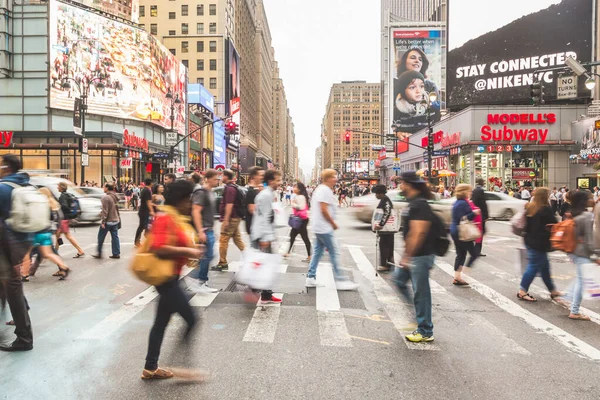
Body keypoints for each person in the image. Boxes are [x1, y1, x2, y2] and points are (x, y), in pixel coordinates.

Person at [142, 180, 203, 380]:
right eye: (189, 198)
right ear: (181, 199)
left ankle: (150, 367)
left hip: (171, 277)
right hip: (166, 279)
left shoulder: (175, 217)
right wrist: (189, 250)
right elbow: (159, 248)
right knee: (192, 319)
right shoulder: (166, 218)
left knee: (161, 322)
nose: (190, 203)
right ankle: (179, 365)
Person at [393, 171, 438, 343]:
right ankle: (419, 316)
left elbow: (418, 232)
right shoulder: (413, 203)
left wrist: (407, 256)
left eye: (402, 183)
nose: (400, 186)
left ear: (409, 184)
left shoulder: (419, 204)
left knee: (421, 292)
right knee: (398, 281)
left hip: (421, 255)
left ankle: (425, 330)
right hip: (415, 255)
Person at [0, 154, 34, 351]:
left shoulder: (4, 188)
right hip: (24, 241)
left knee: (13, 286)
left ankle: (24, 338)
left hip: (8, 245)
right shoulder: (26, 185)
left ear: (6, 167)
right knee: (9, 283)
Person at [306, 169, 359, 291]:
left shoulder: (322, 189)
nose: (336, 178)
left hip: (320, 227)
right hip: (324, 227)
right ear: (328, 178)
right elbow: (323, 209)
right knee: (334, 252)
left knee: (318, 252)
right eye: (334, 176)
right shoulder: (324, 190)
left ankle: (311, 276)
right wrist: (332, 223)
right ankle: (340, 280)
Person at [517, 188, 561, 302]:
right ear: (545, 196)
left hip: (529, 240)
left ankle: (552, 290)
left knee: (544, 266)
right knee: (533, 266)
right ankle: (522, 291)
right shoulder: (545, 209)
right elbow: (555, 224)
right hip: (540, 242)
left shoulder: (530, 207)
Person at [250, 169, 283, 305]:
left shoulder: (268, 194)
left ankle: (264, 293)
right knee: (265, 264)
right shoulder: (265, 195)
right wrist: (265, 237)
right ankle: (255, 291)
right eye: (277, 180)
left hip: (262, 234)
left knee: (264, 264)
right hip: (261, 235)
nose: (279, 182)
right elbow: (263, 218)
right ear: (270, 181)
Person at [561, 191, 596, 321]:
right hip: (582, 253)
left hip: (573, 251)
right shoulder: (586, 216)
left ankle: (568, 296)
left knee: (581, 278)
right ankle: (574, 311)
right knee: (582, 281)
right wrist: (596, 255)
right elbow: (588, 239)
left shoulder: (572, 214)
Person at [22, 187, 70, 281]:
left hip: (36, 232)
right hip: (47, 232)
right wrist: (57, 230)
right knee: (48, 253)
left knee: (26, 253)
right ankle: (63, 266)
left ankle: (25, 274)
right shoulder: (53, 204)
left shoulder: (40, 205)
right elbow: (59, 217)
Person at [189, 170, 219, 293]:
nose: (218, 180)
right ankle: (198, 280)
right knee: (207, 256)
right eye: (215, 178)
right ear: (208, 179)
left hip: (209, 229)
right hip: (204, 230)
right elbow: (195, 211)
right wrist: (200, 231)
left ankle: (199, 280)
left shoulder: (210, 192)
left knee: (207, 256)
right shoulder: (201, 192)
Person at [450, 184, 481, 286]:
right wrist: (474, 213)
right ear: (464, 192)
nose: (471, 193)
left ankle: (457, 277)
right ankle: (464, 272)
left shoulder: (457, 202)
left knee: (461, 253)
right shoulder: (463, 203)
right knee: (474, 253)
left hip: (455, 230)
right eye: (469, 191)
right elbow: (463, 218)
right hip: (462, 231)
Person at [214, 170, 245, 271]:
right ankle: (249, 257)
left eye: (222, 175)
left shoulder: (230, 189)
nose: (221, 178)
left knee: (223, 239)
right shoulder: (232, 187)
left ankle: (222, 262)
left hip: (231, 218)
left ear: (226, 177)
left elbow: (229, 205)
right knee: (237, 240)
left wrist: (226, 220)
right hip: (234, 217)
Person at [56, 181, 85, 258]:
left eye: (58, 186)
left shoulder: (62, 196)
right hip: (66, 218)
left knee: (67, 236)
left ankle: (80, 250)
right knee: (58, 234)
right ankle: (55, 252)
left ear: (61, 187)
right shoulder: (68, 195)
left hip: (64, 218)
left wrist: (58, 207)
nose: (57, 187)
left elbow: (65, 207)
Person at [285, 182, 311, 262]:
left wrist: (293, 204)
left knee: (305, 238)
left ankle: (309, 256)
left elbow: (302, 207)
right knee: (292, 235)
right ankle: (288, 252)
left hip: (301, 220)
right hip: (300, 219)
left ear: (299, 189)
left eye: (295, 187)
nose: (293, 188)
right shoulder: (299, 196)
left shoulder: (301, 197)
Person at [93, 183, 121, 259]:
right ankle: (116, 253)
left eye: (104, 187)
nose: (103, 188)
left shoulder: (106, 198)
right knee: (115, 237)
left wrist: (103, 222)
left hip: (108, 221)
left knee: (101, 237)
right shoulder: (115, 196)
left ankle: (99, 253)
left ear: (107, 188)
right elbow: (113, 208)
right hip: (115, 219)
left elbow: (106, 211)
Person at [373, 184, 395, 273]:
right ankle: (389, 262)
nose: (375, 195)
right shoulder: (384, 200)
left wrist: (381, 224)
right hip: (386, 229)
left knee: (384, 246)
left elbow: (387, 213)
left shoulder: (385, 201)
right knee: (388, 246)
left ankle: (385, 264)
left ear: (381, 193)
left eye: (376, 193)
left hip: (386, 229)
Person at [244, 166, 265, 237]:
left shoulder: (257, 190)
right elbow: (252, 210)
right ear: (254, 176)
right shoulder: (251, 192)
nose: (262, 177)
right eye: (261, 175)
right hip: (255, 228)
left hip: (258, 227)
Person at [471, 178, 489, 257]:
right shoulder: (480, 191)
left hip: (475, 213)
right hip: (480, 214)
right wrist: (486, 215)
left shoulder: (474, 190)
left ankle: (475, 249)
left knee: (477, 231)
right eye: (484, 182)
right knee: (480, 232)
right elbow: (483, 204)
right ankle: (477, 250)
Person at [135, 179, 154, 247]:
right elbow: (148, 202)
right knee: (142, 226)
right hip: (144, 211)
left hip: (143, 210)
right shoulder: (147, 191)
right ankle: (137, 241)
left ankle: (147, 240)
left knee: (145, 226)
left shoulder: (145, 190)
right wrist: (152, 210)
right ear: (151, 183)